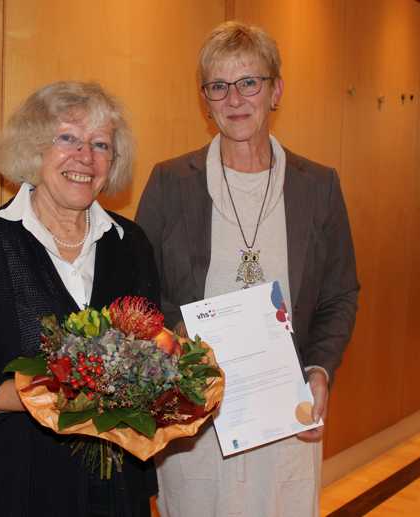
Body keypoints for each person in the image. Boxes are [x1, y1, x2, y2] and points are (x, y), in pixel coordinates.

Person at [136, 21, 359, 517]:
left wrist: (320, 369)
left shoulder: (318, 186)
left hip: (285, 415)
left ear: (275, 90)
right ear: (205, 99)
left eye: (249, 82)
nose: (234, 98)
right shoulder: (171, 182)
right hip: (195, 416)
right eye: (219, 85)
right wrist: (180, 348)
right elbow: (138, 293)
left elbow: (341, 293)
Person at [0, 81, 159, 517]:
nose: (85, 157)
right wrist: (50, 397)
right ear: (35, 148)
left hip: (116, 480)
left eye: (100, 145)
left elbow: (152, 347)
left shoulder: (131, 243)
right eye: (67, 138)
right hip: (20, 479)